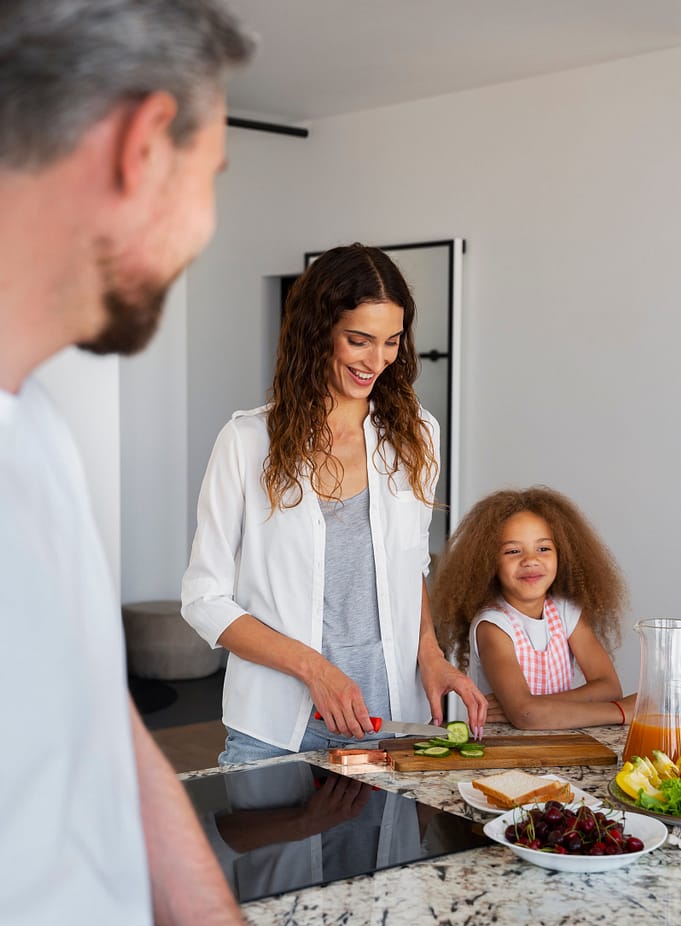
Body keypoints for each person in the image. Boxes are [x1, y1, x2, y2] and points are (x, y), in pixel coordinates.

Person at [0, 3, 316, 926]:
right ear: (143, 144)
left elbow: (113, 746)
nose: (206, 227)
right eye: (212, 177)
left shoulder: (35, 429)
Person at [181, 243, 487, 763]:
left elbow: (409, 564)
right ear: (317, 330)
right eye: (359, 340)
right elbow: (204, 599)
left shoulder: (417, 435)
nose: (378, 361)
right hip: (275, 726)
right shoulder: (248, 441)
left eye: (391, 342)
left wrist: (431, 656)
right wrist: (315, 670)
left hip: (389, 719)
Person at [431, 486, 636, 730]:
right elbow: (526, 716)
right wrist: (621, 711)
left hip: (562, 743)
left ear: (563, 554)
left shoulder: (566, 612)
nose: (530, 560)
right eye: (513, 551)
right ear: (488, 562)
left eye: (543, 548)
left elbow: (609, 688)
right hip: (506, 753)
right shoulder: (493, 626)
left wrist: (529, 706)